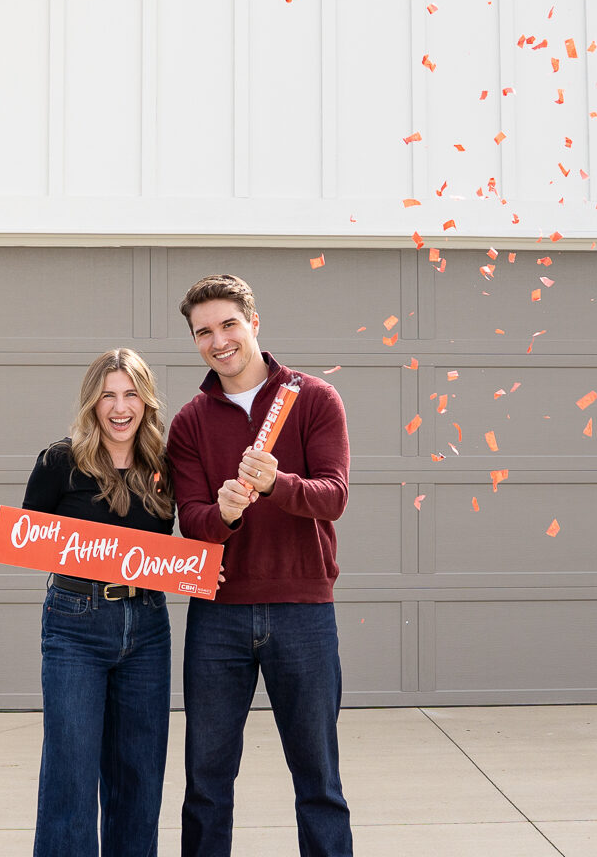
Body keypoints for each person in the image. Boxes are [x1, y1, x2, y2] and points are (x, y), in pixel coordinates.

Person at [167, 274, 353, 857]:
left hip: (303, 612)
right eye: (204, 332)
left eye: (228, 325)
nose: (218, 341)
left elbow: (333, 496)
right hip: (218, 618)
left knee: (318, 782)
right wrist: (222, 514)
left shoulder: (314, 398)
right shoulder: (190, 422)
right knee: (206, 783)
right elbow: (192, 523)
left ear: (254, 324)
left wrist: (277, 483)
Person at [23, 348, 177, 857]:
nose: (119, 407)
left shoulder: (164, 467)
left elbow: (180, 541)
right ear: (92, 403)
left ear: (146, 401)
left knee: (139, 774)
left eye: (131, 394)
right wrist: (16, 539)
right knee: (70, 771)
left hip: (149, 625)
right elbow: (32, 534)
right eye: (108, 395)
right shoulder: (60, 461)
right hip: (75, 623)